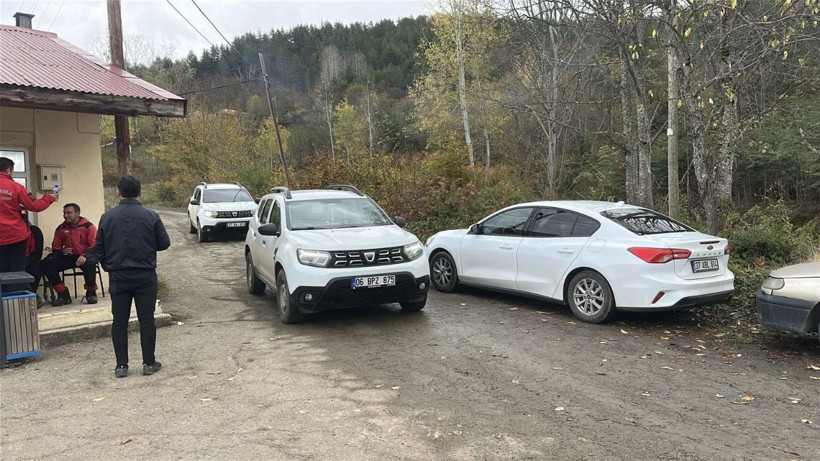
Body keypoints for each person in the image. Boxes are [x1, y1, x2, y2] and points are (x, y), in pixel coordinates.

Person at [92, 176, 170, 378]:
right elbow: (164, 243)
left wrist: (107, 264)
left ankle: (121, 366)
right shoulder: (151, 216)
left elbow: (99, 248)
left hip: (118, 275)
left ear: (118, 192)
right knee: (146, 319)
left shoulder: (107, 217)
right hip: (144, 274)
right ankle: (149, 363)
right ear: (140, 193)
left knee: (119, 321)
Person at [0, 157, 57, 291]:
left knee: (2, 269)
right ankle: (15, 302)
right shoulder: (17, 188)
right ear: (8, 170)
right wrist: (49, 198)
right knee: (16, 270)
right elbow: (34, 206)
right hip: (16, 236)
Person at [41, 203, 99, 306]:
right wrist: (61, 252)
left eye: (69, 213)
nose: (65, 215)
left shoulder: (88, 226)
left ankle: (91, 292)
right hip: (69, 257)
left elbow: (94, 245)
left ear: (77, 213)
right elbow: (55, 247)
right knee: (47, 263)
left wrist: (84, 255)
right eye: (64, 213)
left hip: (85, 255)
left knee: (90, 263)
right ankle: (63, 295)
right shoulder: (61, 228)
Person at [21, 208, 45, 303]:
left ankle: (32, 296)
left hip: (30, 260)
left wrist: (25, 262)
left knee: (36, 267)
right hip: (12, 260)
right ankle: (32, 297)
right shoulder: (8, 233)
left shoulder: (34, 231)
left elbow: (37, 252)